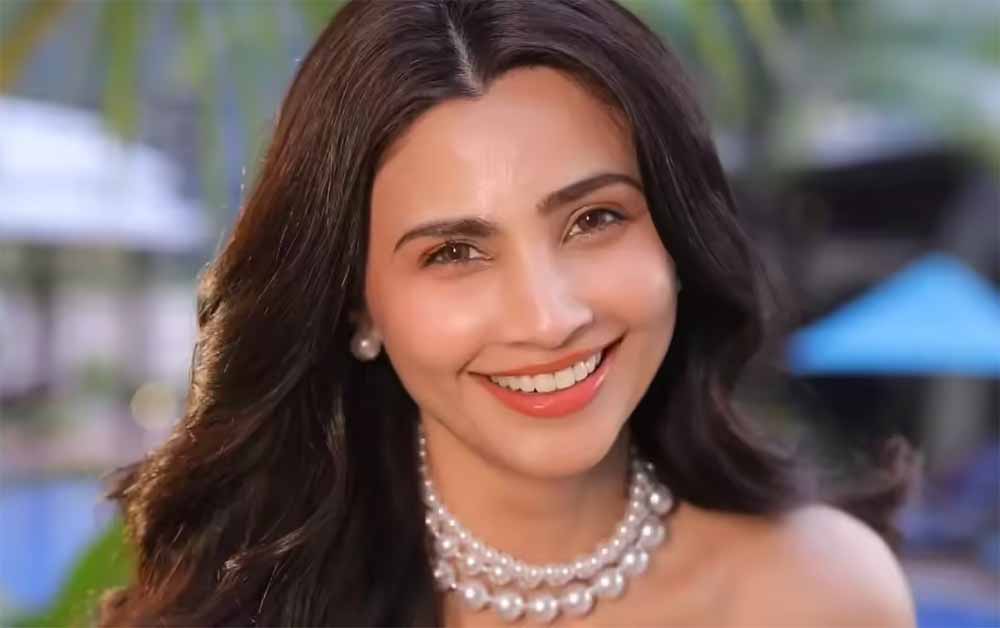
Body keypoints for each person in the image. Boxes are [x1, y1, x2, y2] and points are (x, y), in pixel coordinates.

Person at [98, 1, 919, 626]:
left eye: (594, 219)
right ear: (358, 307)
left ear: (673, 237)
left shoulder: (824, 592)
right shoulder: (240, 611)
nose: (548, 317)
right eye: (454, 252)